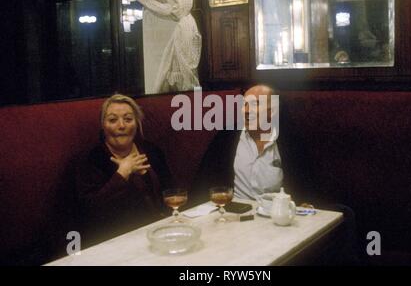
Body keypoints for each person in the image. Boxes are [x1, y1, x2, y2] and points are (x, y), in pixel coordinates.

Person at [192, 84, 359, 265]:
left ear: (272, 112)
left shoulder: (290, 141)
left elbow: (307, 185)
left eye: (255, 104)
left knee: (344, 215)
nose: (247, 111)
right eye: (244, 104)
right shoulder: (226, 137)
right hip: (235, 221)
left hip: (276, 221)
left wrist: (302, 205)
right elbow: (205, 182)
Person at [73, 94, 172, 247]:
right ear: (103, 125)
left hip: (158, 233)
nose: (122, 126)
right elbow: (91, 211)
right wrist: (122, 174)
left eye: (128, 119)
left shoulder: (151, 151)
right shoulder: (92, 160)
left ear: (137, 123)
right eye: (113, 120)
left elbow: (171, 191)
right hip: (113, 241)